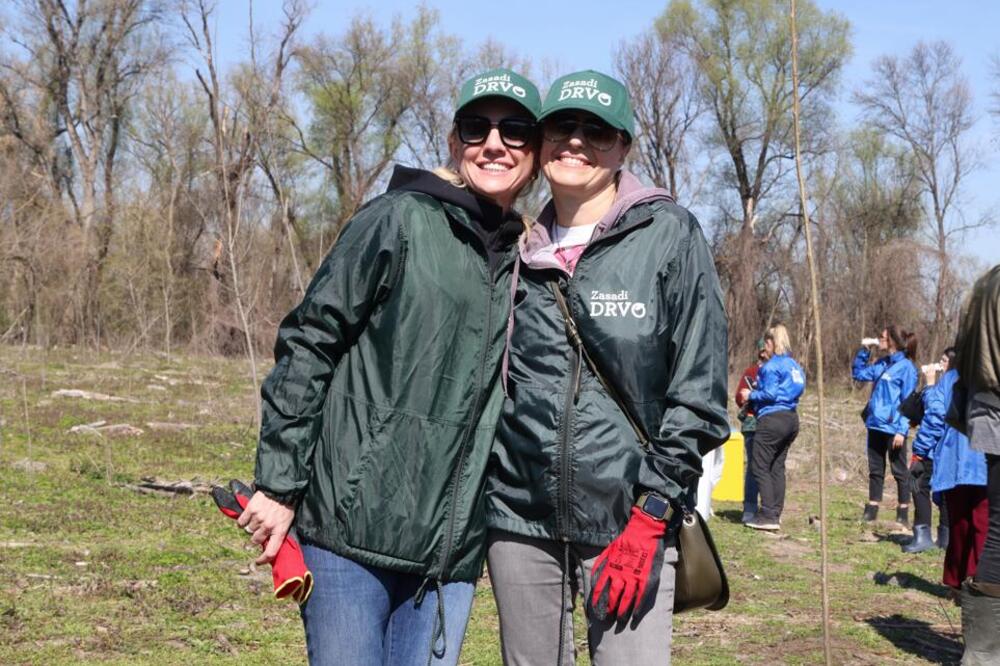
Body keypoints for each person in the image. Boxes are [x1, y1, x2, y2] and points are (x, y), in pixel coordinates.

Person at [232, 68, 541, 666]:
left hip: (447, 555)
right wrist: (278, 481)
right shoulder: (399, 219)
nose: (494, 144)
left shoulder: (528, 258)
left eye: (516, 131)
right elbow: (309, 341)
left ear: (535, 152)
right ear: (455, 142)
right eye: (477, 127)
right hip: (350, 534)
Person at [485, 70, 729, 665]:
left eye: (595, 131)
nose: (575, 141)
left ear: (622, 147)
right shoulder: (510, 246)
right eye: (562, 127)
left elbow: (699, 392)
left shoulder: (669, 235)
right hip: (520, 518)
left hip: (629, 520)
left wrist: (650, 516)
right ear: (541, 144)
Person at [953, 264, 1000, 664]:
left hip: (985, 407)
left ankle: (984, 654)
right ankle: (984, 654)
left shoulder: (985, 282)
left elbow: (961, 351)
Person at [926, 353, 987, 585]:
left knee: (964, 525)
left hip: (963, 463)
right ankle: (972, 583)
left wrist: (922, 451)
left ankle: (962, 582)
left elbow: (934, 415)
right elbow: (935, 416)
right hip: (970, 462)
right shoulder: (952, 378)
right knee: (979, 526)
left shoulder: (950, 378)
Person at [738, 324, 806, 531]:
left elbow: (770, 394)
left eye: (766, 344)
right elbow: (799, 388)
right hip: (791, 419)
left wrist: (751, 395)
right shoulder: (794, 365)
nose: (764, 349)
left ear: (771, 342)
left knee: (759, 465)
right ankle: (776, 512)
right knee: (777, 467)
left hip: (772, 419)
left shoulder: (771, 366)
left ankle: (767, 514)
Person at [853, 325, 919, 524]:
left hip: (893, 428)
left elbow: (909, 402)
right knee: (875, 468)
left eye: (882, 337)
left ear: (892, 341)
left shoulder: (906, 368)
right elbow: (859, 374)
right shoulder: (882, 363)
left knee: (899, 470)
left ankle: (903, 514)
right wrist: (864, 351)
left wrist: (902, 430)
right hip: (875, 424)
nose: (879, 339)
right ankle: (872, 509)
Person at [904, 348, 957, 553]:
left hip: (935, 448)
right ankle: (945, 539)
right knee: (945, 493)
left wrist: (930, 384)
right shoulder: (961, 384)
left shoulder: (945, 384)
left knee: (918, 485)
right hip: (951, 449)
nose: (939, 364)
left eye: (944, 361)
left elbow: (935, 417)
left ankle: (922, 535)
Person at [735, 339, 770, 524]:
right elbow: (739, 397)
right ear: (761, 352)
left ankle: (769, 509)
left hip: (772, 423)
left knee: (770, 467)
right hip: (752, 423)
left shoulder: (777, 370)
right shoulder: (751, 373)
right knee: (755, 466)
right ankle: (749, 507)